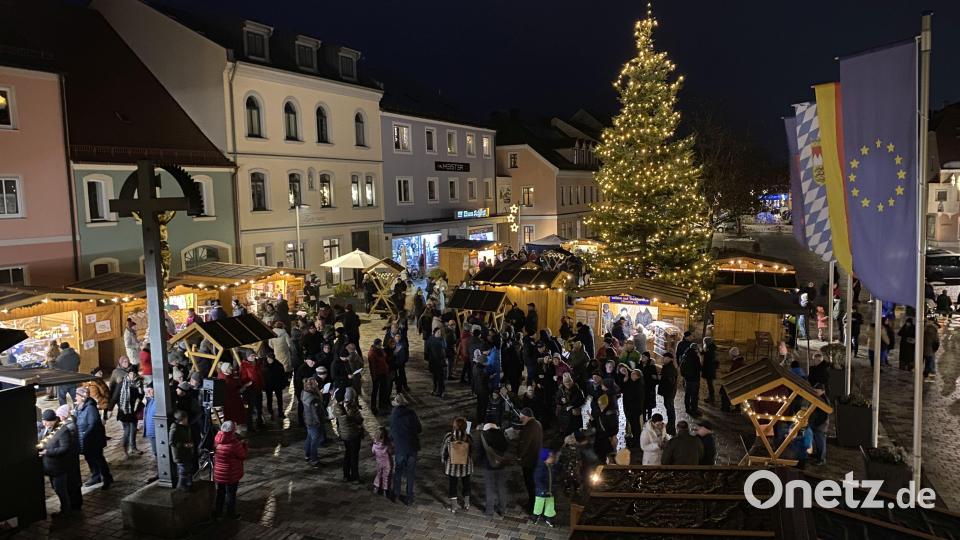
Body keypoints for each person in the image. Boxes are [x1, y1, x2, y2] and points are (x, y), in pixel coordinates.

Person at [39, 409, 82, 517]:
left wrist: (47, 452)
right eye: (44, 421)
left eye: (46, 421)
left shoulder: (62, 431)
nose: (44, 423)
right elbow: (42, 440)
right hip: (50, 468)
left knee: (61, 490)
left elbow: (64, 448)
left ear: (53, 421)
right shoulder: (46, 429)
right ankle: (65, 509)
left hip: (59, 468)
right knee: (56, 488)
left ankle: (66, 511)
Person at [74, 387, 112, 489]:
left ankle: (107, 478)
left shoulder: (90, 408)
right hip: (85, 439)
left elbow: (93, 424)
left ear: (83, 397)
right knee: (89, 458)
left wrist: (85, 434)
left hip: (93, 440)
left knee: (98, 459)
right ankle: (95, 477)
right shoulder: (79, 406)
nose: (75, 397)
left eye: (77, 395)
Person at [389, 394, 422, 506]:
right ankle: (409, 497)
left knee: (398, 470)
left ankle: (396, 494)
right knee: (410, 473)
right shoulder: (411, 413)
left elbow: (392, 432)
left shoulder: (393, 415)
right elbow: (419, 429)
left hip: (400, 447)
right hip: (412, 447)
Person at [213, 421, 247, 519]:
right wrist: (244, 446)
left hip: (219, 474)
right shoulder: (234, 444)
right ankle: (230, 514)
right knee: (231, 494)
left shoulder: (217, 439)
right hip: (231, 474)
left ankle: (218, 512)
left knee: (220, 493)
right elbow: (243, 455)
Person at [440, 416, 474, 513]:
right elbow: (472, 451)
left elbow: (443, 451)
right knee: (466, 484)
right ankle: (466, 504)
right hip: (466, 466)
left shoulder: (449, 436)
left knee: (453, 485)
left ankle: (454, 507)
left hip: (452, 466)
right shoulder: (469, 437)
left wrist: (444, 461)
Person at [477, 422, 509, 517]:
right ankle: (502, 509)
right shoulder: (501, 435)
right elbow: (506, 447)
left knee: (489, 488)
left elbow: (480, 451)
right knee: (501, 487)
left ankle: (489, 510)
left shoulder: (484, 436)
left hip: (488, 465)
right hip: (500, 464)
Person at [333, 387, 364, 482]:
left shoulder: (337, 407)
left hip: (344, 435)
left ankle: (346, 475)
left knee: (347, 454)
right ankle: (355, 477)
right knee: (354, 456)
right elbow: (359, 420)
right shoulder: (351, 408)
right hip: (353, 434)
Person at [114, 364, 144, 456]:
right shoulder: (122, 383)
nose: (132, 375)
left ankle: (133, 448)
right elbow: (115, 396)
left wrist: (139, 398)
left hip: (134, 410)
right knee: (127, 430)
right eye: (130, 373)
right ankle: (125, 447)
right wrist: (110, 409)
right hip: (124, 411)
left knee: (134, 430)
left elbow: (141, 395)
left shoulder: (139, 382)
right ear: (128, 374)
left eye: (134, 374)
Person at [517, 408, 543, 514]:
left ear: (526, 417)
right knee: (533, 484)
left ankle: (533, 507)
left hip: (529, 460)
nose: (521, 420)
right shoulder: (537, 424)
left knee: (530, 484)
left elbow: (524, 444)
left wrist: (519, 456)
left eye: (522, 418)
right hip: (536, 458)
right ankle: (532, 503)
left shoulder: (529, 427)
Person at [530, 448, 558, 528]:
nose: (553, 458)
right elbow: (537, 480)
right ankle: (535, 517)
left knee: (550, 506)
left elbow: (552, 477)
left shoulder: (550, 466)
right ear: (545, 458)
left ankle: (549, 518)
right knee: (539, 505)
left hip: (550, 491)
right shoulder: (540, 468)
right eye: (551, 457)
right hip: (541, 492)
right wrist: (543, 490)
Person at [301, 378, 325, 467]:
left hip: (308, 420)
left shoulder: (305, 393)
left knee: (310, 437)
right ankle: (314, 459)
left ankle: (307, 455)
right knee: (315, 440)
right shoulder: (313, 399)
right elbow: (315, 413)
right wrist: (319, 422)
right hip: (313, 422)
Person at [170, 411, 195, 491]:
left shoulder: (186, 426)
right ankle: (180, 485)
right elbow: (172, 442)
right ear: (180, 420)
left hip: (187, 452)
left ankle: (187, 483)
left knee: (187, 469)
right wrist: (184, 445)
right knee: (183, 470)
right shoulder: (175, 428)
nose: (186, 420)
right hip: (180, 454)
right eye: (185, 419)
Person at [239, 353, 265, 431]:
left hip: (258, 388)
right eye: (251, 356)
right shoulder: (244, 365)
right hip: (250, 391)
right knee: (250, 409)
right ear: (247, 357)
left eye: (254, 355)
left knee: (259, 407)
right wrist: (248, 384)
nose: (254, 357)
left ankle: (259, 423)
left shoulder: (258, 363)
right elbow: (243, 378)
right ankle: (250, 426)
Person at [556, 373, 585, 437]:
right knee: (567, 431)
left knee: (576, 431)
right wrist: (562, 401)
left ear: (572, 381)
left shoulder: (577, 389)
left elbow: (582, 400)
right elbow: (557, 400)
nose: (568, 384)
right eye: (566, 382)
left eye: (569, 381)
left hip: (575, 414)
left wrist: (574, 405)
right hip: (565, 415)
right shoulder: (561, 390)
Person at [368, 339, 391, 415]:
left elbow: (385, 358)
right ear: (376, 345)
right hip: (377, 375)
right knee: (375, 391)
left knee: (383, 390)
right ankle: (373, 407)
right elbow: (373, 367)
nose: (381, 346)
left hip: (384, 373)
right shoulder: (372, 353)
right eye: (380, 345)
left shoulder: (381, 350)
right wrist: (374, 377)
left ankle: (382, 405)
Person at [622, 369, 644, 446]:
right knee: (634, 424)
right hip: (630, 408)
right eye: (632, 373)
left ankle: (637, 440)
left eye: (634, 374)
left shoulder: (638, 385)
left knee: (635, 425)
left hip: (634, 409)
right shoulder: (632, 382)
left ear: (638, 376)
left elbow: (635, 397)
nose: (632, 375)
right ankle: (636, 439)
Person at [809, 384, 830, 465]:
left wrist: (816, 424)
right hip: (818, 423)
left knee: (820, 441)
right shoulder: (821, 398)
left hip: (821, 424)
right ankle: (818, 455)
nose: (815, 392)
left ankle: (821, 459)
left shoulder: (823, 400)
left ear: (822, 391)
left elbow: (824, 415)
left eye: (817, 391)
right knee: (818, 441)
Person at [658, 353, 678, 435]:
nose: (664, 359)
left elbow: (671, 381)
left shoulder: (670, 368)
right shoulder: (667, 367)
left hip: (669, 392)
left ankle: (671, 427)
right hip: (667, 392)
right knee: (668, 408)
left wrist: (662, 378)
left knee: (670, 409)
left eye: (666, 358)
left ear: (671, 359)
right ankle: (670, 425)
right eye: (663, 357)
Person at [262, 354, 287, 420]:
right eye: (268, 358)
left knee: (279, 399)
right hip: (268, 386)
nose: (269, 360)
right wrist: (263, 386)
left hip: (277, 385)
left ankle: (280, 413)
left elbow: (283, 376)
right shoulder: (264, 366)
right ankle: (270, 413)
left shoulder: (279, 365)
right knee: (269, 400)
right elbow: (263, 377)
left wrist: (283, 384)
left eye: (270, 359)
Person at [372, 427, 394, 497]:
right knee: (386, 477)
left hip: (379, 463)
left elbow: (373, 452)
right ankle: (385, 490)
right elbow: (391, 452)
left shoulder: (375, 445)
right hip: (387, 464)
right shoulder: (387, 445)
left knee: (378, 475)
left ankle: (376, 488)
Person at [426, 327, 447, 398]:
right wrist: (427, 358)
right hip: (433, 361)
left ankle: (441, 391)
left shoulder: (442, 340)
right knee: (435, 377)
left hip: (440, 362)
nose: (439, 334)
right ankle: (435, 389)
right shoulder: (430, 340)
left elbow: (445, 349)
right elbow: (427, 350)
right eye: (438, 332)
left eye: (440, 332)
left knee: (441, 378)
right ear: (434, 333)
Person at [701, 337, 718, 404]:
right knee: (710, 384)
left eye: (704, 342)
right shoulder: (711, 349)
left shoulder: (710, 351)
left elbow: (708, 360)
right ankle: (710, 397)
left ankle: (711, 398)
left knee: (710, 385)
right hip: (710, 370)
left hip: (709, 371)